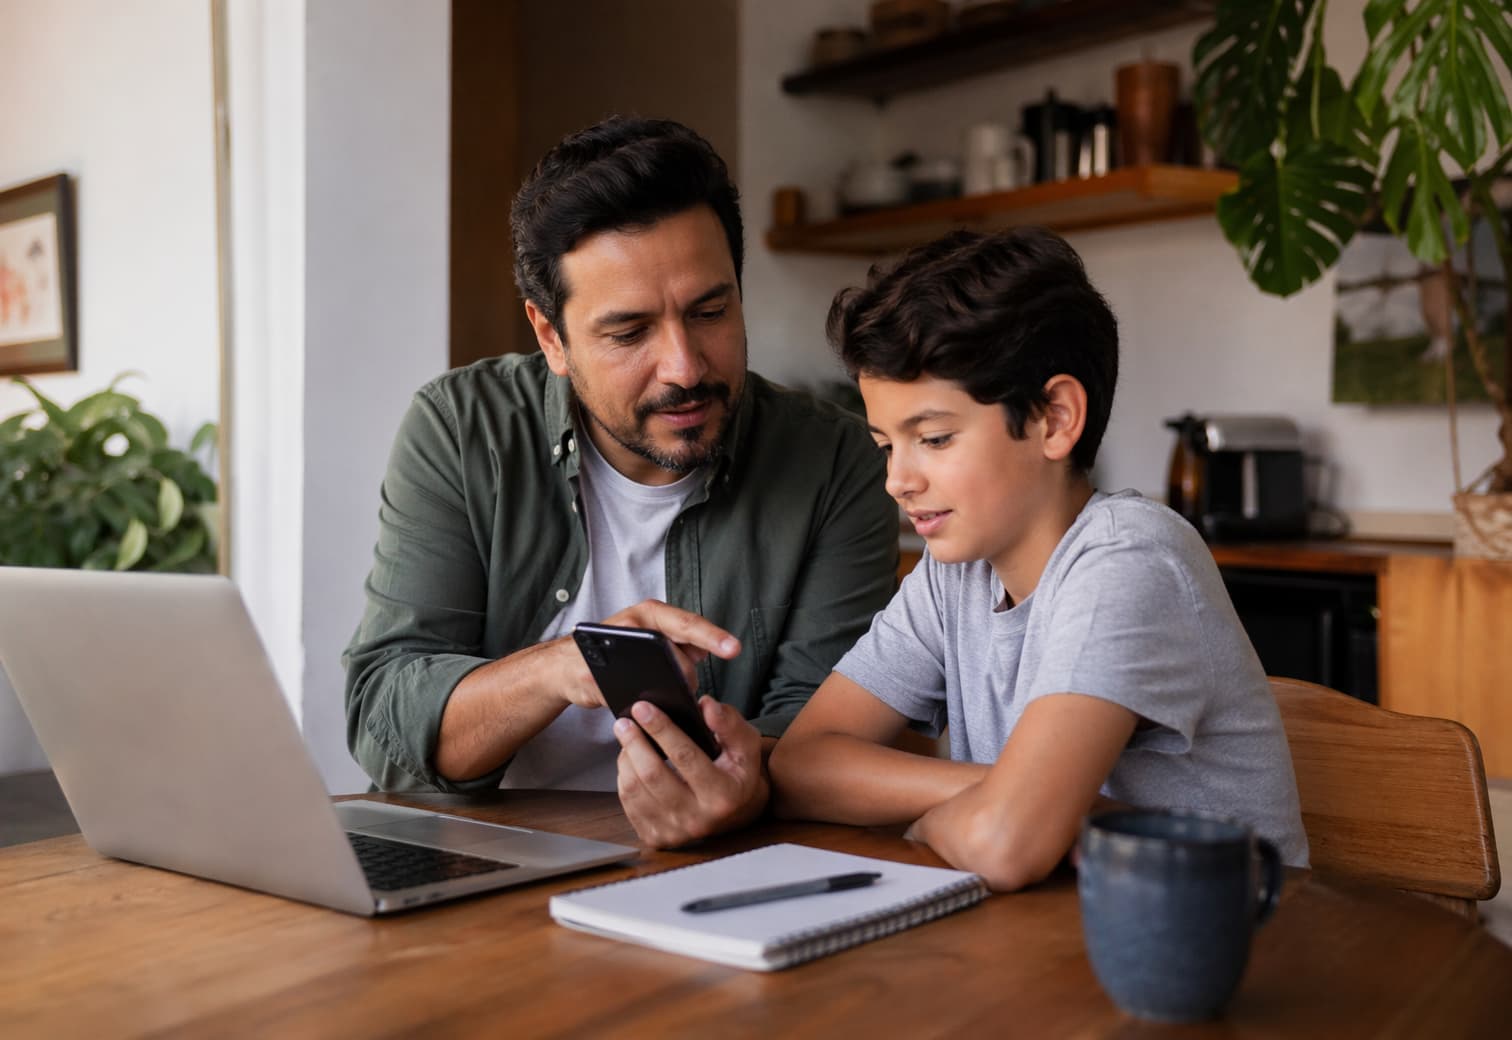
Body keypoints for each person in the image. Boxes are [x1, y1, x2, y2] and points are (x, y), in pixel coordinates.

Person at [344, 117, 898, 848]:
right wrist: (559, 669)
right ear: (551, 339)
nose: (685, 367)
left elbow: (825, 729)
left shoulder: (833, 460)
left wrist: (748, 780)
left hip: (729, 866)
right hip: (486, 865)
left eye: (710, 311)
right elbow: (385, 721)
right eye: (629, 332)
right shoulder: (460, 430)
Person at [768, 227, 1308, 890]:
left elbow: (1006, 845)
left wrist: (958, 816)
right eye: (886, 445)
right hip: (1059, 942)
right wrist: (1006, 795)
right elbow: (799, 767)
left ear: (1054, 418)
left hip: (1227, 957)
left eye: (934, 438)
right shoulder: (952, 575)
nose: (897, 480)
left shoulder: (1129, 561)